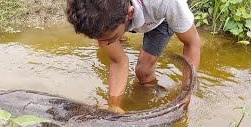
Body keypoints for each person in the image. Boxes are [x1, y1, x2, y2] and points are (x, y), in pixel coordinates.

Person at [66, 0, 201, 114]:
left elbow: (192, 43)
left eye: (110, 38)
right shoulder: (96, 13)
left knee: (144, 72)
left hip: (160, 19)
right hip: (122, 19)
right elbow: (118, 61)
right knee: (107, 43)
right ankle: (117, 36)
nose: (105, 44)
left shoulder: (168, 3)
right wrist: (114, 106)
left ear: (130, 13)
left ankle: (157, 92)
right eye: (100, 39)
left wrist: (186, 94)